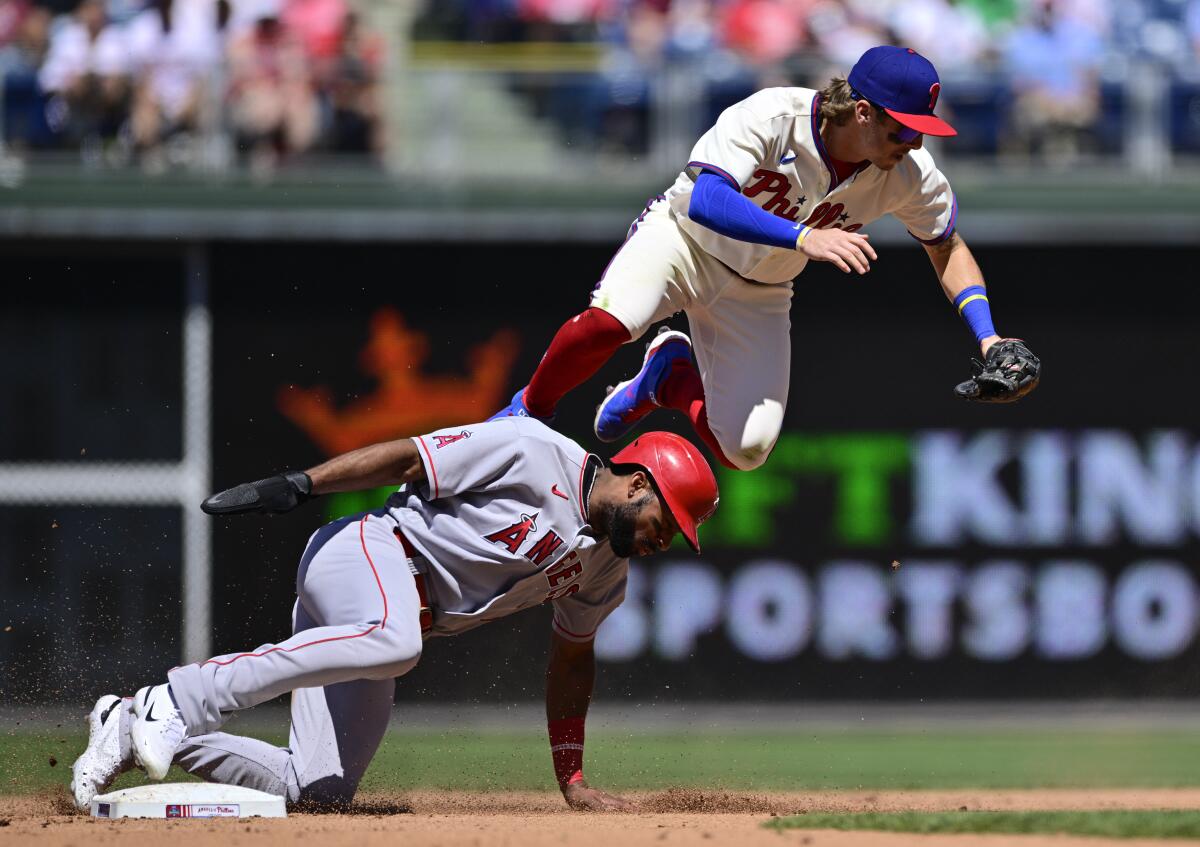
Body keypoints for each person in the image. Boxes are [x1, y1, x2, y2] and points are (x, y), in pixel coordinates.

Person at [69, 419, 719, 812]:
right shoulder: (534, 450)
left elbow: (572, 659)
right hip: (369, 551)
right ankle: (176, 696)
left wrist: (571, 776)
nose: (669, 539)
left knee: (316, 792)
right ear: (639, 483)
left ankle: (128, 721)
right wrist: (305, 483)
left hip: (386, 620)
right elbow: (412, 456)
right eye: (671, 520)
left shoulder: (606, 569)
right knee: (396, 639)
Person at [489, 45, 1041, 471]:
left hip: (761, 289)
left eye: (923, 131)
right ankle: (529, 410)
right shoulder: (775, 114)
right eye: (906, 129)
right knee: (611, 322)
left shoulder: (908, 175)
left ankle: (670, 381)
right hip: (685, 244)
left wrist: (988, 336)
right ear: (865, 112)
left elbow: (946, 246)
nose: (915, 144)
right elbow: (707, 198)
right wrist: (803, 238)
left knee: (746, 451)